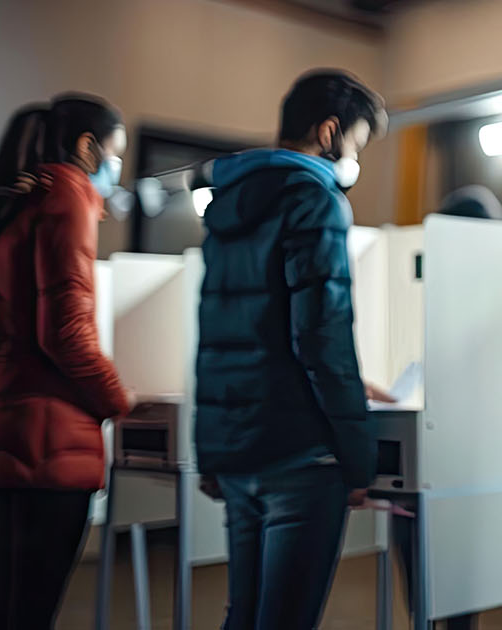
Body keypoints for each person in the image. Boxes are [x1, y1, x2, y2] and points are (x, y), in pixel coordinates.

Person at [194, 69, 388, 630]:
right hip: (299, 452)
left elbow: (217, 331)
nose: (354, 160)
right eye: (356, 144)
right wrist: (357, 456)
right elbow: (321, 335)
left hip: (238, 448)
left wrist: (210, 448)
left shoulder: (226, 207)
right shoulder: (315, 198)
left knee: (245, 614)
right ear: (330, 132)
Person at [0, 96, 136, 629]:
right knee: (33, 607)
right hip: (48, 435)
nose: (116, 169)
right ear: (87, 146)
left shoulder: (3, 204)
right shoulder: (68, 196)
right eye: (115, 153)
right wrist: (116, 401)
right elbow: (66, 333)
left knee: (11, 602)